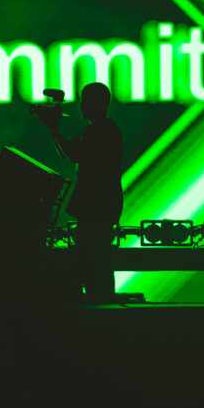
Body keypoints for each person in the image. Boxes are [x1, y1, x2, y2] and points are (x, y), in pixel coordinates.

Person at [38, 82, 123, 304]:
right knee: (96, 262)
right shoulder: (96, 130)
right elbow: (72, 153)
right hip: (98, 208)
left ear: (97, 103)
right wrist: (54, 129)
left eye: (85, 101)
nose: (81, 106)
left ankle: (101, 307)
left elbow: (73, 154)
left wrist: (54, 128)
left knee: (96, 263)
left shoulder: (103, 132)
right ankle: (101, 305)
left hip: (97, 208)